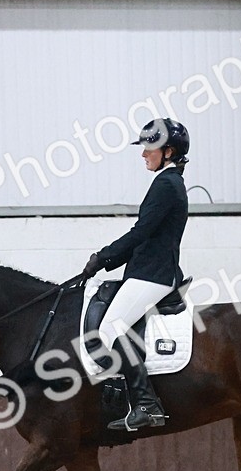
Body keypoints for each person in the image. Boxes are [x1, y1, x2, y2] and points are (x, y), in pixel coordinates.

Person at [81, 117, 190, 431]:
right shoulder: (167, 182)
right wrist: (106, 261)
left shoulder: (167, 184)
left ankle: (146, 404)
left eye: (150, 148)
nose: (144, 154)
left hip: (153, 274)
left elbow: (141, 232)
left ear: (168, 151)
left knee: (111, 329)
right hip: (147, 270)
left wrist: (104, 256)